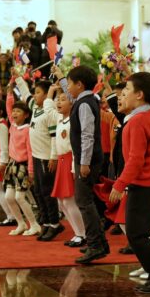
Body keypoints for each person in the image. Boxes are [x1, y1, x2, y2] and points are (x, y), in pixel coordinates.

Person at [109, 72, 150, 294]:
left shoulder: (139, 120)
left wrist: (119, 184)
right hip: (148, 182)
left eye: (126, 90)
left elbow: (136, 159)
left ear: (139, 95)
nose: (122, 94)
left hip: (143, 183)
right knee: (138, 234)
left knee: (137, 236)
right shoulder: (147, 114)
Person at [66, 65, 108, 264]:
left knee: (84, 200)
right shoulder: (86, 100)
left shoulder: (84, 104)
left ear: (79, 84)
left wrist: (84, 162)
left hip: (88, 160)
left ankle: (95, 245)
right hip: (87, 158)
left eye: (70, 84)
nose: (67, 89)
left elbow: (87, 135)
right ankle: (99, 242)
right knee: (85, 200)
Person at [12, 72, 61, 241]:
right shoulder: (35, 107)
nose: (34, 95)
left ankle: (55, 223)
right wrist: (18, 78)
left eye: (38, 92)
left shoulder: (50, 111)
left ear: (47, 94)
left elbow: (54, 136)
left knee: (47, 192)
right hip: (37, 156)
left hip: (47, 157)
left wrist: (54, 157)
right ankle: (46, 221)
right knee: (39, 191)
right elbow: (25, 94)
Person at [51, 85, 86, 248]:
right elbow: (48, 105)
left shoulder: (73, 120)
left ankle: (82, 234)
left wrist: (74, 167)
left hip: (70, 160)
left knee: (69, 200)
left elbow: (75, 146)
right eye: (58, 99)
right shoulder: (59, 119)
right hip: (61, 161)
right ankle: (77, 232)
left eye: (63, 99)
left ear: (72, 103)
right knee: (62, 201)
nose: (58, 102)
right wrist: (54, 90)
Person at [4, 93, 39, 236]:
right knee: (8, 197)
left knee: (19, 197)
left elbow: (30, 152)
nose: (14, 113)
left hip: (23, 167)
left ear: (26, 115)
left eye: (18, 111)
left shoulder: (28, 130)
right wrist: (10, 90)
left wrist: (31, 171)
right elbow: (8, 106)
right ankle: (21, 223)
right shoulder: (12, 126)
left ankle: (35, 224)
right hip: (11, 165)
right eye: (14, 111)